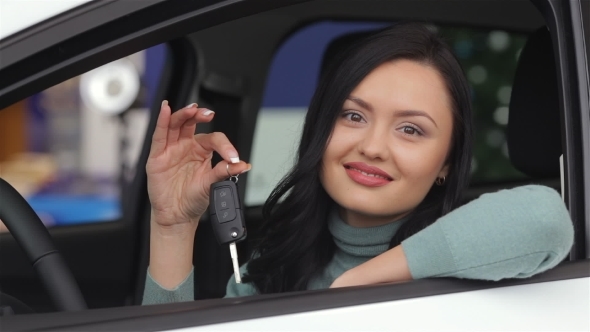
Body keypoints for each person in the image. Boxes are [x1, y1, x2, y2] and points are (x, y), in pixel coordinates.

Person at [142, 22, 573, 304]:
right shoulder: (270, 270)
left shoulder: (479, 256)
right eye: (353, 116)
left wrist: (354, 286)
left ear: (447, 162)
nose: (372, 146)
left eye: (411, 129)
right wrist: (173, 226)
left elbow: (544, 218)